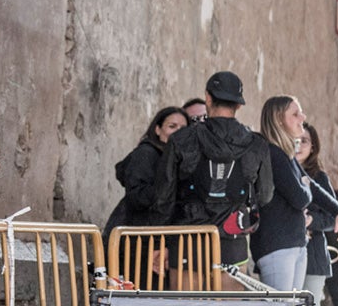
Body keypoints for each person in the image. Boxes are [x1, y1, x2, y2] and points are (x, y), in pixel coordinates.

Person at [159, 71, 274, 267]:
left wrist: (158, 244)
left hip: (187, 239)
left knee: (186, 299)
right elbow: (265, 195)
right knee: (229, 298)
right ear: (238, 105)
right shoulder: (257, 144)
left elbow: (163, 198)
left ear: (208, 98)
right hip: (233, 238)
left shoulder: (181, 139)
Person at [248, 96, 313, 291]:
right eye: (295, 113)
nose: (303, 116)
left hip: (293, 244)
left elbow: (306, 189)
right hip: (277, 246)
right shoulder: (273, 154)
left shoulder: (286, 155)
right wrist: (306, 187)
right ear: (278, 119)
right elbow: (301, 198)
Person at [105, 106, 189, 246]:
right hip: (135, 239)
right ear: (158, 130)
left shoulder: (179, 160)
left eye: (183, 128)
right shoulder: (146, 154)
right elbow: (137, 196)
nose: (178, 133)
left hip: (155, 239)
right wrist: (167, 188)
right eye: (172, 126)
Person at [298, 123, 338, 306]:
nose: (299, 145)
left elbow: (332, 217)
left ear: (313, 147)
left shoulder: (319, 178)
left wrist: (311, 220)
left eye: (304, 141)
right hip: (285, 249)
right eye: (296, 140)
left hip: (313, 253)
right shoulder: (280, 170)